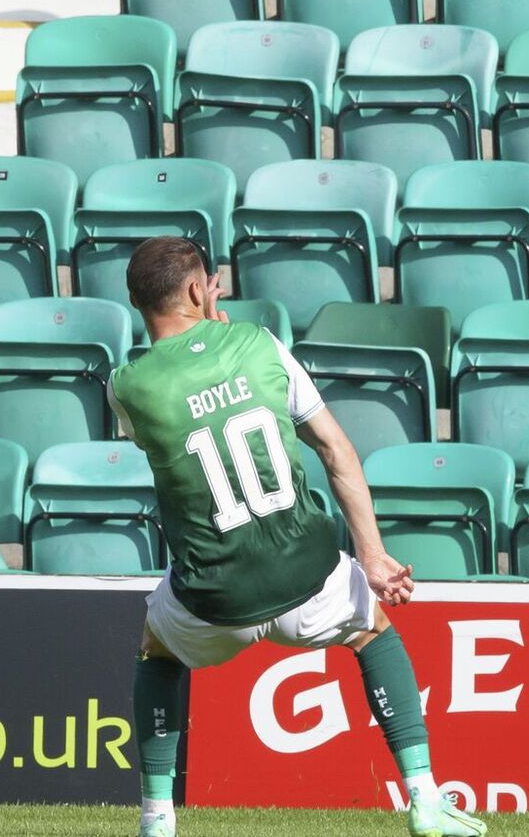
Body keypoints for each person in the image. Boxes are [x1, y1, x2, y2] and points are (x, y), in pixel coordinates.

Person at [107, 237, 487, 837]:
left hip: (216, 600)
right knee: (373, 632)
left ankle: (157, 817)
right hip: (308, 574)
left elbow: (168, 428)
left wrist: (204, 345)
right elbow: (335, 450)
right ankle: (425, 798)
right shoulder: (259, 343)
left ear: (136, 302)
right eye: (209, 284)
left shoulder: (126, 385)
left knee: (157, 647)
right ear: (195, 291)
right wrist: (373, 555)